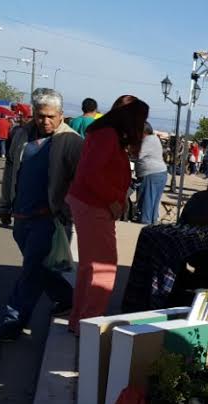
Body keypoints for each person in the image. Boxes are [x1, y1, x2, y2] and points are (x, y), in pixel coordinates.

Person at [0, 88, 84, 342]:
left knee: (31, 270)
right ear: (34, 113)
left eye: (51, 116)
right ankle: (67, 298)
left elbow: (82, 180)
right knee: (42, 268)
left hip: (50, 219)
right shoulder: (21, 134)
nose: (45, 121)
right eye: (40, 115)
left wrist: (69, 211)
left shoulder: (72, 141)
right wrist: (5, 205)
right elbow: (11, 171)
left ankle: (13, 321)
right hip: (22, 215)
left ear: (61, 115)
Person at [66, 95, 149, 332]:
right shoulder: (107, 135)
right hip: (95, 205)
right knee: (103, 267)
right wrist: (113, 199)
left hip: (91, 204)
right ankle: (91, 323)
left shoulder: (104, 133)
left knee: (90, 266)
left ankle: (80, 320)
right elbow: (91, 174)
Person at [136, 122, 168, 225]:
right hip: (159, 172)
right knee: (153, 200)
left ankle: (146, 222)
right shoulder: (154, 138)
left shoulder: (148, 140)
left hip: (152, 173)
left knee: (148, 199)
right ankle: (152, 221)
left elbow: (139, 154)